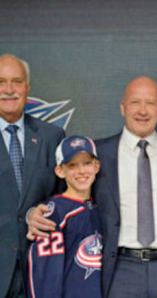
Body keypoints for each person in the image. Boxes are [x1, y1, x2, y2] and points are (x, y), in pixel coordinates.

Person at [28, 76, 157, 298]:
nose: (143, 111)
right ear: (122, 108)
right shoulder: (99, 153)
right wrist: (33, 212)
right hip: (120, 269)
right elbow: (65, 193)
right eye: (135, 102)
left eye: (150, 103)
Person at [0, 53, 64, 298]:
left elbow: (62, 198)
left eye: (16, 81)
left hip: (38, 270)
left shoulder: (52, 136)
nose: (8, 90)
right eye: (1, 82)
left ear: (28, 88)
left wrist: (37, 213)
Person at [28, 135, 102, 298]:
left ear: (96, 166)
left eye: (87, 163)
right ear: (60, 171)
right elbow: (45, 275)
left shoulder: (102, 208)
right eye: (72, 165)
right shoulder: (53, 213)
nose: (81, 171)